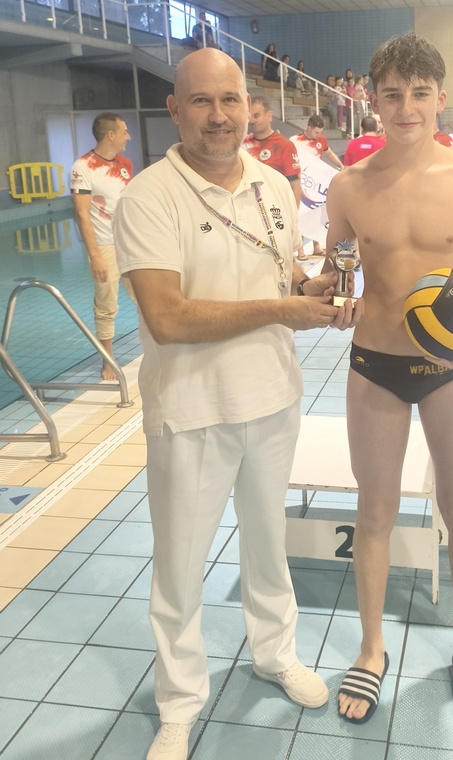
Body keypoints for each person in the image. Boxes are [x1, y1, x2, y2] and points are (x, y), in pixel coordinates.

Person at [113, 49, 360, 760]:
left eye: (230, 101)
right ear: (175, 110)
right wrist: (284, 308)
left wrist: (312, 291)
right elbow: (169, 318)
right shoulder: (149, 196)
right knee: (180, 566)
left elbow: (278, 278)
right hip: (190, 411)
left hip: (272, 397)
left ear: (250, 109)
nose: (219, 116)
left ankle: (275, 654)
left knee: (267, 542)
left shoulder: (272, 184)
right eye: (201, 101)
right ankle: (179, 704)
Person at [324, 33, 453, 724]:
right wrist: (324, 293)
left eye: (419, 93)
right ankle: (371, 648)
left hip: (450, 372)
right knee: (374, 512)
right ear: (372, 102)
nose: (406, 107)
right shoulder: (347, 187)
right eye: (392, 94)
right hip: (375, 366)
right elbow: (340, 271)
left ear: (441, 98)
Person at [70, 112, 133, 381]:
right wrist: (94, 255)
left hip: (129, 243)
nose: (128, 136)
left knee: (147, 296)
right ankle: (108, 361)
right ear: (111, 135)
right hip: (105, 245)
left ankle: (156, 346)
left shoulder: (125, 164)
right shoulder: (82, 167)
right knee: (107, 305)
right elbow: (82, 214)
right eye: (124, 131)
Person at [291, 115, 344, 256]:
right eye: (316, 132)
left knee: (315, 214)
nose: (319, 135)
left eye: (320, 132)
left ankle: (316, 246)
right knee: (301, 214)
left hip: (315, 183)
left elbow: (329, 153)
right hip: (302, 182)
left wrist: (340, 165)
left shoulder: (321, 140)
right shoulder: (295, 141)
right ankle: (300, 250)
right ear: (308, 128)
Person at [244, 96, 302, 205]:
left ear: (269, 116)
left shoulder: (284, 146)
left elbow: (295, 187)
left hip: (275, 207)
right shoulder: (242, 143)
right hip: (247, 207)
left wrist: (293, 214)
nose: (252, 120)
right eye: (249, 116)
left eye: (256, 116)